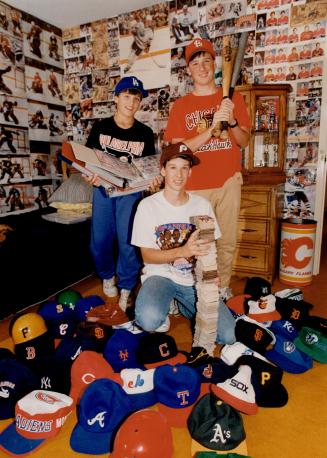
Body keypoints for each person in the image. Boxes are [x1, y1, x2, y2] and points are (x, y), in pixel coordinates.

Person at [164, 38, 251, 300]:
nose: (201, 67)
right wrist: (212, 128)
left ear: (214, 64)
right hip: (195, 186)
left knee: (226, 242)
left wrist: (232, 119)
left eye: (206, 61)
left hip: (227, 182)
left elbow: (243, 141)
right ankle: (188, 291)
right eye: (195, 62)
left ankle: (220, 287)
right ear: (188, 69)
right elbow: (178, 150)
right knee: (195, 245)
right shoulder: (180, 107)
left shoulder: (233, 98)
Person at [132, 142, 236, 342]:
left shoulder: (202, 205)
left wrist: (212, 276)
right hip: (159, 275)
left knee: (228, 335)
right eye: (173, 168)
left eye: (184, 168)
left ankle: (182, 305)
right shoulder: (147, 206)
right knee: (148, 320)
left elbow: (210, 249)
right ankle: (159, 302)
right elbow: (147, 256)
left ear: (190, 172)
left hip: (193, 280)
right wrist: (183, 250)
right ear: (162, 170)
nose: (178, 175)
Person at [84, 76, 156, 311]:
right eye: (127, 96)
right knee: (100, 241)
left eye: (136, 98)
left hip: (129, 192)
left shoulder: (145, 133)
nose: (131, 102)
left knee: (127, 243)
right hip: (103, 189)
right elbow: (88, 161)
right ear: (116, 98)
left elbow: (148, 167)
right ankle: (107, 275)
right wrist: (88, 175)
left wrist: (153, 180)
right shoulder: (101, 127)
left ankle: (126, 287)